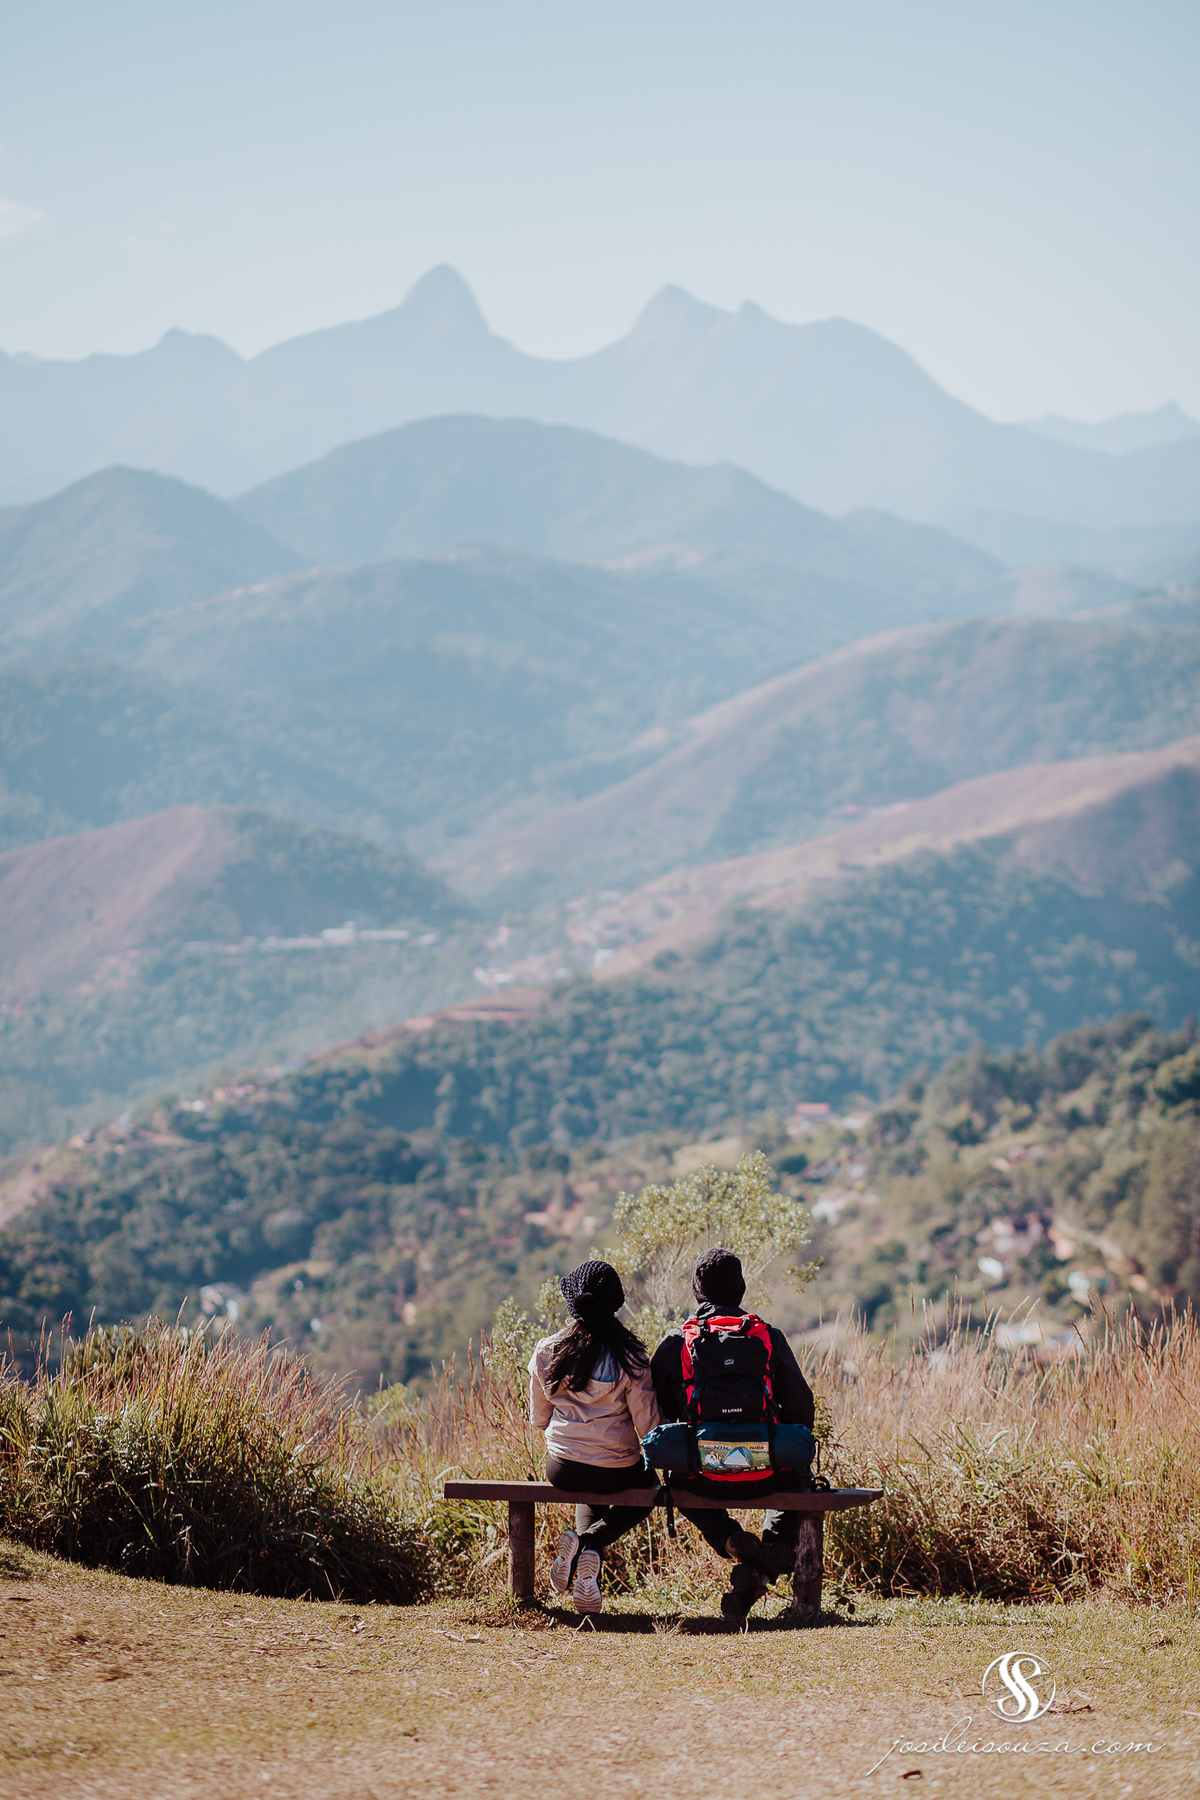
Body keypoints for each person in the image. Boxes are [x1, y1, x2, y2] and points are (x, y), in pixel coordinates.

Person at [650, 1247, 816, 1624]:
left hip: (701, 1478)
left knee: (677, 1484)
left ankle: (733, 1542)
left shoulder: (677, 1341)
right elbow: (801, 1407)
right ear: (741, 1289)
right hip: (767, 1477)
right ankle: (769, 1554)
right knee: (799, 1481)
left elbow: (654, 1414)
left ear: (697, 1291)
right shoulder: (767, 1336)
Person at [528, 1259, 661, 1614]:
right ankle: (592, 1541)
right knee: (649, 1487)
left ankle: (585, 1560)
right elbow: (648, 1427)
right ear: (614, 1302)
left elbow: (538, 1419)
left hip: (562, 1467)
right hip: (617, 1466)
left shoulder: (547, 1351)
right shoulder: (630, 1357)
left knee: (587, 1485)